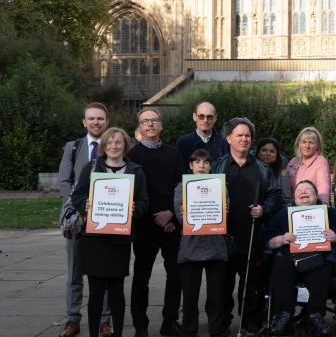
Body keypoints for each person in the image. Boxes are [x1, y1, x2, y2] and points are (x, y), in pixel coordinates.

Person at [71, 127, 149, 337]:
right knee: (95, 292)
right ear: (104, 146)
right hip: (94, 240)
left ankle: (118, 333)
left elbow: (144, 203)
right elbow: (77, 197)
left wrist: (135, 209)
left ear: (125, 145)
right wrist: (85, 204)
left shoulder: (136, 170)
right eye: (109, 143)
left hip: (119, 240)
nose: (114, 146)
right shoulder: (92, 168)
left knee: (117, 292)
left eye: (118, 142)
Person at [213, 118, 280, 334]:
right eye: (239, 135)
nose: (244, 139)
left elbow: (274, 194)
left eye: (248, 135)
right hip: (223, 238)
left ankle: (250, 322)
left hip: (252, 236)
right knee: (222, 286)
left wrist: (264, 208)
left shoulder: (261, 167)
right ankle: (221, 323)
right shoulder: (218, 165)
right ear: (229, 138)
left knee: (253, 284)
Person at [264, 180, 336, 337]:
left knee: (323, 268)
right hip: (289, 259)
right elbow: (265, 239)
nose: (303, 192)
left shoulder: (330, 213)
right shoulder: (283, 214)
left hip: (319, 259)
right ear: (294, 196)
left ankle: (315, 316)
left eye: (308, 189)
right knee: (280, 264)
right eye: (299, 190)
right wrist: (281, 239)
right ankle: (284, 315)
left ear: (316, 195)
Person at [57, 102, 112, 337]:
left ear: (106, 122)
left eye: (100, 119)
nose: (96, 122)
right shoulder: (73, 147)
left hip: (107, 217)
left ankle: (105, 320)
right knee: (74, 271)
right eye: (92, 119)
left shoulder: (113, 146)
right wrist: (79, 206)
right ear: (84, 122)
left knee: (106, 271)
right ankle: (72, 318)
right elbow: (63, 182)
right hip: (78, 219)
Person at [127, 108, 183, 337]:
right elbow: (133, 193)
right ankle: (140, 325)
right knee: (141, 276)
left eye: (154, 121)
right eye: (145, 121)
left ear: (161, 125)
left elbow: (180, 185)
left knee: (176, 276)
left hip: (171, 224)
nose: (150, 124)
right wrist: (155, 217)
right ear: (140, 127)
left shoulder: (174, 153)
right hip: (144, 226)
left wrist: (171, 213)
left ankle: (169, 322)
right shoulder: (132, 156)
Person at [173, 149, 228, 337]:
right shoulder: (182, 187)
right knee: (189, 297)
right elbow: (181, 217)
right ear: (191, 165)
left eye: (205, 162)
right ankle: (189, 331)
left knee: (216, 297)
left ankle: (217, 330)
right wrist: (187, 213)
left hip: (215, 248)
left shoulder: (220, 186)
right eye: (197, 162)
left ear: (210, 165)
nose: (202, 165)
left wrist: (223, 212)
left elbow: (224, 215)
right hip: (190, 248)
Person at [176, 101, 229, 173]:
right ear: (194, 117)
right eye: (201, 116)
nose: (205, 120)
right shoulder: (183, 143)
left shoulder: (224, 142)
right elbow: (180, 172)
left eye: (209, 117)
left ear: (215, 118)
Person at [286, 127, 331, 205]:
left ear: (317, 145)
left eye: (311, 142)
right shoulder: (292, 161)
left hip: (312, 207)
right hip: (292, 207)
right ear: (299, 144)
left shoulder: (321, 161)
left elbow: (323, 187)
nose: (307, 146)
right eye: (304, 142)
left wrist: (323, 206)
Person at [255, 137, 292, 207]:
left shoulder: (283, 173)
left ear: (277, 155)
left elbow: (286, 199)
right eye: (264, 150)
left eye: (272, 151)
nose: (268, 154)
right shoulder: (250, 169)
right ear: (258, 152)